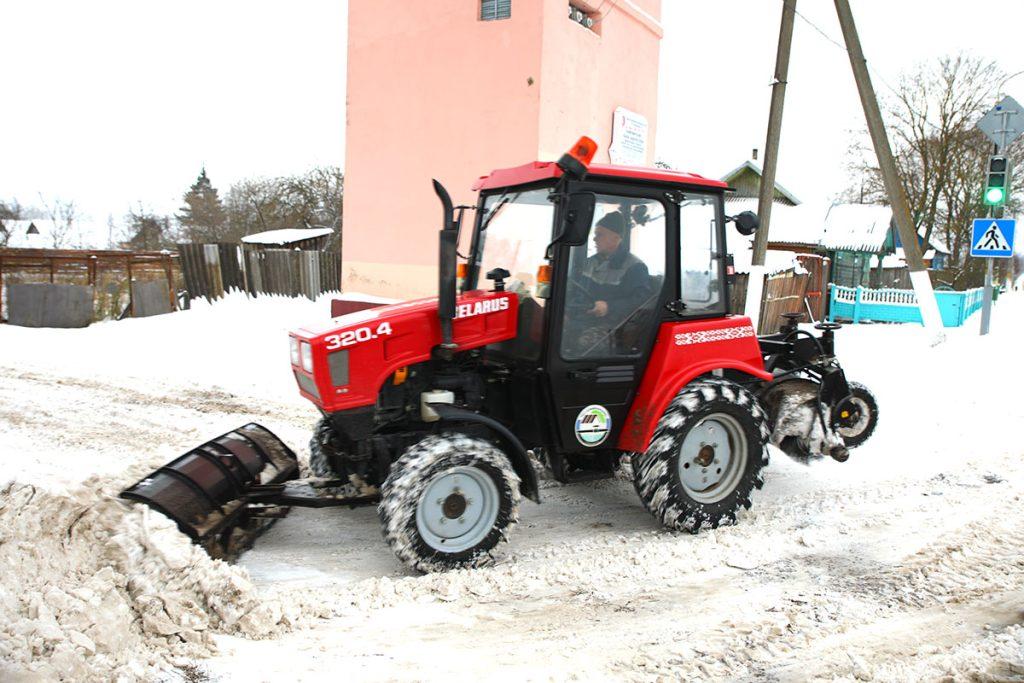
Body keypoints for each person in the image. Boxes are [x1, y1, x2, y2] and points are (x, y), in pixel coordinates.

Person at [565, 210, 653, 356]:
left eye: (600, 234)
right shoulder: (590, 262)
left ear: (616, 238)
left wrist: (609, 307)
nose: (594, 239)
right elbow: (576, 292)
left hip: (614, 326)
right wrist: (567, 312)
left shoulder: (634, 267)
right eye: (595, 234)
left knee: (583, 343)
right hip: (584, 318)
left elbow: (642, 301)